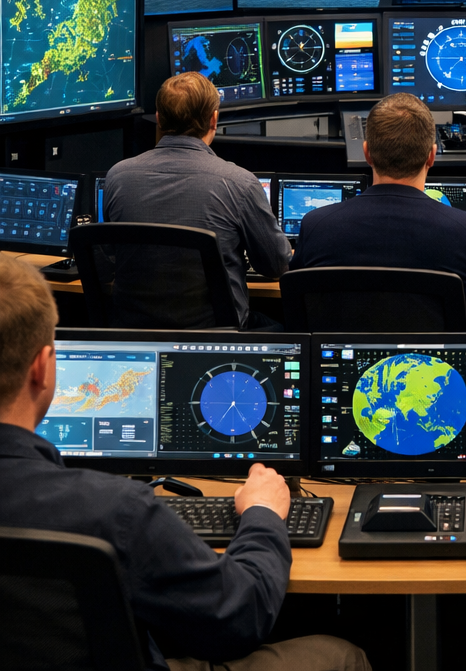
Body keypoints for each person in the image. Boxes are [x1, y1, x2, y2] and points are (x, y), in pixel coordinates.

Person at [0, 255, 368, 671]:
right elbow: (239, 618)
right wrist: (264, 514)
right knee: (341, 655)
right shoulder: (115, 511)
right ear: (43, 368)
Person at [290, 93, 466, 330]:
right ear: (432, 156)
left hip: (338, 364)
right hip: (436, 366)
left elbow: (298, 311)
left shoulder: (315, 226)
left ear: (367, 153)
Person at [104, 72, 291, 329]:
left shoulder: (117, 177)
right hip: (216, 337)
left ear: (159, 118)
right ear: (214, 119)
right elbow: (276, 265)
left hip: (134, 331)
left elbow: (114, 253)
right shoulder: (239, 182)